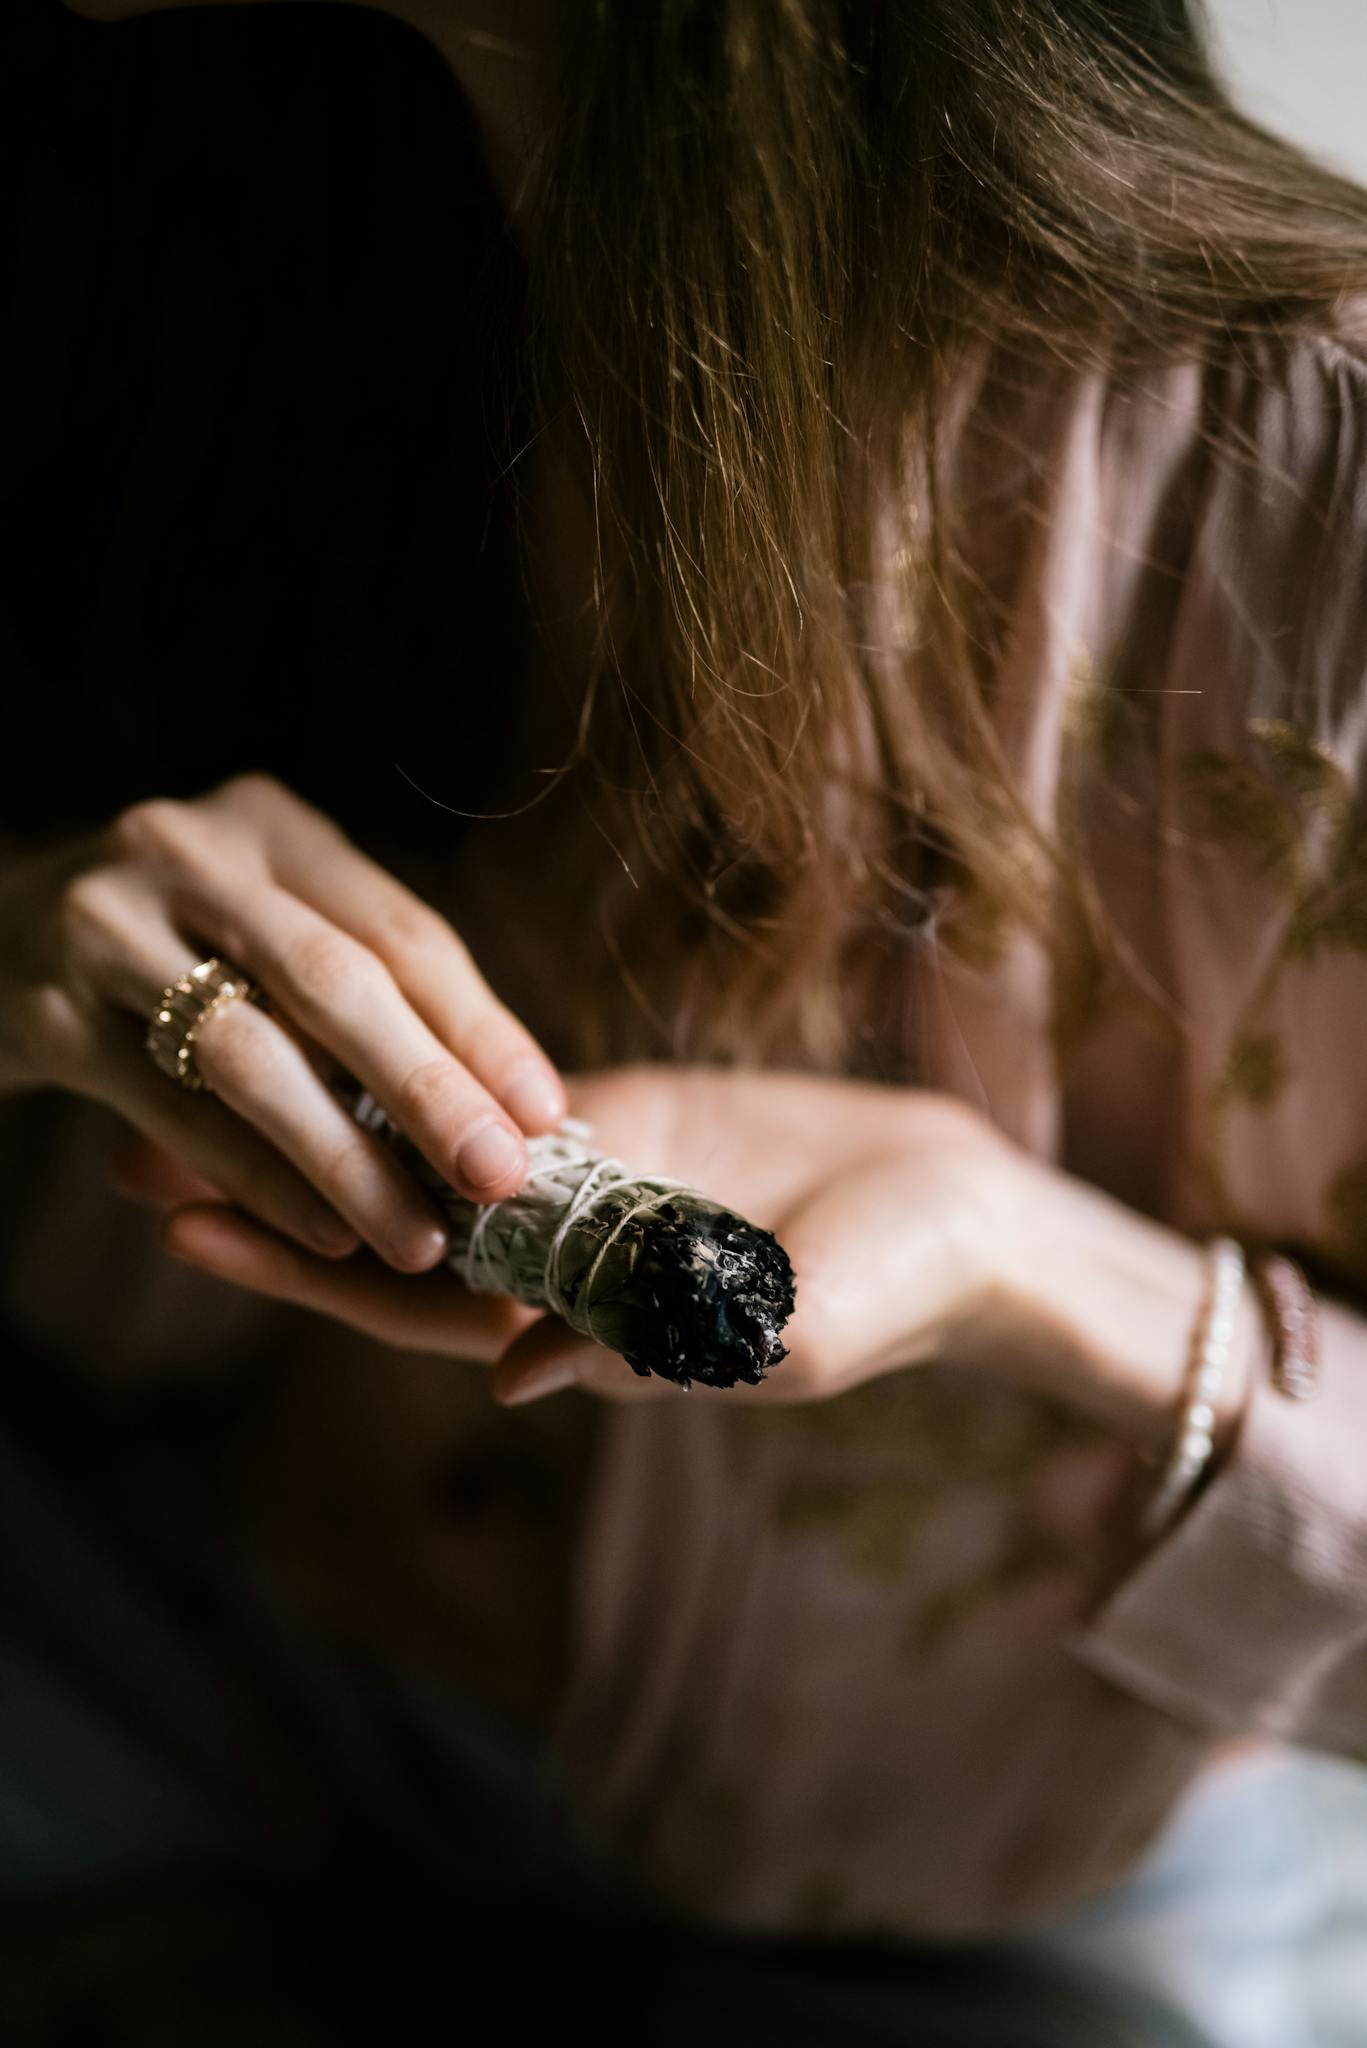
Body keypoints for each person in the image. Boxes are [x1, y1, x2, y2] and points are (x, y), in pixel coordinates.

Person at [3, 0, 1367, 2038]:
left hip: (973, 1930)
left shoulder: (1310, 479)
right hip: (175, 1685)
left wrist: (1029, 1261)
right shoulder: (151, 220)